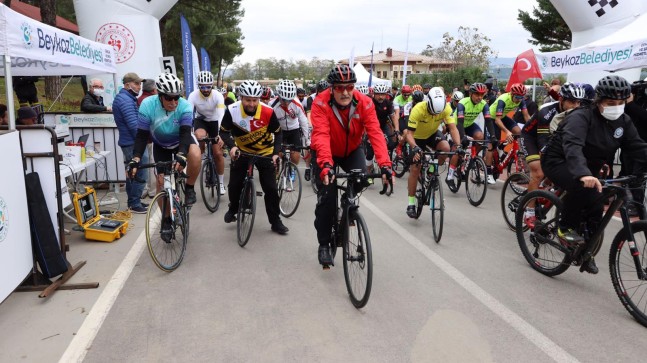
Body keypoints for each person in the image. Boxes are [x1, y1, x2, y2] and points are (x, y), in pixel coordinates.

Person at [541, 75, 647, 274]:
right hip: (559, 160)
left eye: (621, 103)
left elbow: (638, 147)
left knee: (598, 203)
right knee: (583, 188)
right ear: (599, 101)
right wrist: (582, 173)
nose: (617, 106)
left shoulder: (623, 121)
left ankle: (586, 251)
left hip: (590, 166)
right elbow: (573, 146)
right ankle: (565, 227)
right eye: (611, 103)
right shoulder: (581, 117)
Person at [310, 64, 393, 266]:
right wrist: (326, 165)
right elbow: (320, 135)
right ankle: (323, 244)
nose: (345, 92)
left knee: (363, 178)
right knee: (326, 200)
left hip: (351, 150)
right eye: (339, 87)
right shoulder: (320, 103)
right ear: (332, 88)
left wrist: (385, 165)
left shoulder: (364, 102)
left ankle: (346, 207)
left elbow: (375, 133)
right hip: (325, 151)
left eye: (349, 86)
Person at [218, 80, 288, 235]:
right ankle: (233, 208)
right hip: (242, 152)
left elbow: (278, 133)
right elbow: (223, 132)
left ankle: (275, 221)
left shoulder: (268, 111)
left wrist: (276, 154)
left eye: (254, 100)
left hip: (264, 152)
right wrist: (232, 146)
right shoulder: (232, 109)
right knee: (234, 185)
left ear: (258, 99)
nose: (251, 104)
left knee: (270, 189)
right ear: (241, 97)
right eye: (248, 100)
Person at [129, 72, 200, 218]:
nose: (174, 102)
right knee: (161, 184)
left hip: (181, 141)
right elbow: (142, 135)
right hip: (161, 145)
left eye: (177, 97)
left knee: (195, 154)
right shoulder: (147, 105)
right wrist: (135, 159)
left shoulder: (185, 106)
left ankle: (190, 187)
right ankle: (166, 220)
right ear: (160, 95)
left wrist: (181, 154)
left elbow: (186, 133)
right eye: (169, 98)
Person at [520, 83, 585, 226]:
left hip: (553, 140)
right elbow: (543, 141)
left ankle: (545, 189)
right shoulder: (547, 110)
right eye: (572, 102)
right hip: (531, 137)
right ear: (561, 100)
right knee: (538, 172)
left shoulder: (578, 113)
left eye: (578, 102)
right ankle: (529, 212)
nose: (576, 106)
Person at [404, 87, 461, 217]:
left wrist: (458, 146)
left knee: (446, 148)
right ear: (428, 102)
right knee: (415, 169)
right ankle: (411, 203)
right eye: (433, 112)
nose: (435, 115)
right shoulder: (418, 109)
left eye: (438, 113)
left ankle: (431, 171)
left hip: (432, 134)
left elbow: (453, 128)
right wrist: (414, 147)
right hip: (416, 138)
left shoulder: (446, 108)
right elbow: (409, 134)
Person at [449, 83, 496, 189]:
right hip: (457, 125)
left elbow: (488, 121)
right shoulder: (462, 103)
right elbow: (460, 123)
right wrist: (463, 137)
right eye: (477, 94)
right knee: (459, 148)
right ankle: (450, 176)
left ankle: (471, 159)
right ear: (470, 94)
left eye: (482, 95)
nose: (479, 97)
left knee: (480, 137)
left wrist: (493, 136)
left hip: (469, 124)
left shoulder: (484, 104)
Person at [187, 71, 227, 195]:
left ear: (212, 85)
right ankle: (202, 156)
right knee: (199, 136)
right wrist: (189, 130)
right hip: (202, 120)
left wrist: (220, 133)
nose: (205, 89)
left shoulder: (217, 95)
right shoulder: (193, 95)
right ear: (199, 86)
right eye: (202, 87)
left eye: (208, 86)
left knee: (218, 153)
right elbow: (188, 114)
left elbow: (221, 114)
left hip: (215, 122)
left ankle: (220, 183)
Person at [113, 72, 147, 213]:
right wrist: (143, 139)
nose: (140, 86)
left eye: (140, 83)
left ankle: (134, 201)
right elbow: (134, 126)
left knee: (132, 172)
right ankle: (134, 203)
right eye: (137, 83)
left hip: (129, 141)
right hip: (132, 143)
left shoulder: (126, 98)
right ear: (127, 85)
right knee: (140, 172)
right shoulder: (125, 100)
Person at [486, 82, 529, 184]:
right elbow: (497, 120)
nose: (519, 99)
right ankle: (488, 173)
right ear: (512, 94)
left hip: (502, 117)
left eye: (521, 97)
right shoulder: (503, 100)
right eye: (517, 96)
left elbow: (526, 116)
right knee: (492, 144)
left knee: (518, 132)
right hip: (492, 118)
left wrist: (531, 128)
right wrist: (507, 132)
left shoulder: (521, 100)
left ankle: (502, 146)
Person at [272, 80, 310, 175]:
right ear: (279, 96)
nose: (286, 103)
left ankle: (291, 169)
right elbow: (269, 124)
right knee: (279, 153)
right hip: (280, 131)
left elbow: (304, 122)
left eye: (289, 100)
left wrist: (308, 139)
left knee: (296, 157)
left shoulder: (297, 104)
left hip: (294, 129)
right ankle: (280, 166)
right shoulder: (272, 106)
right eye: (283, 100)